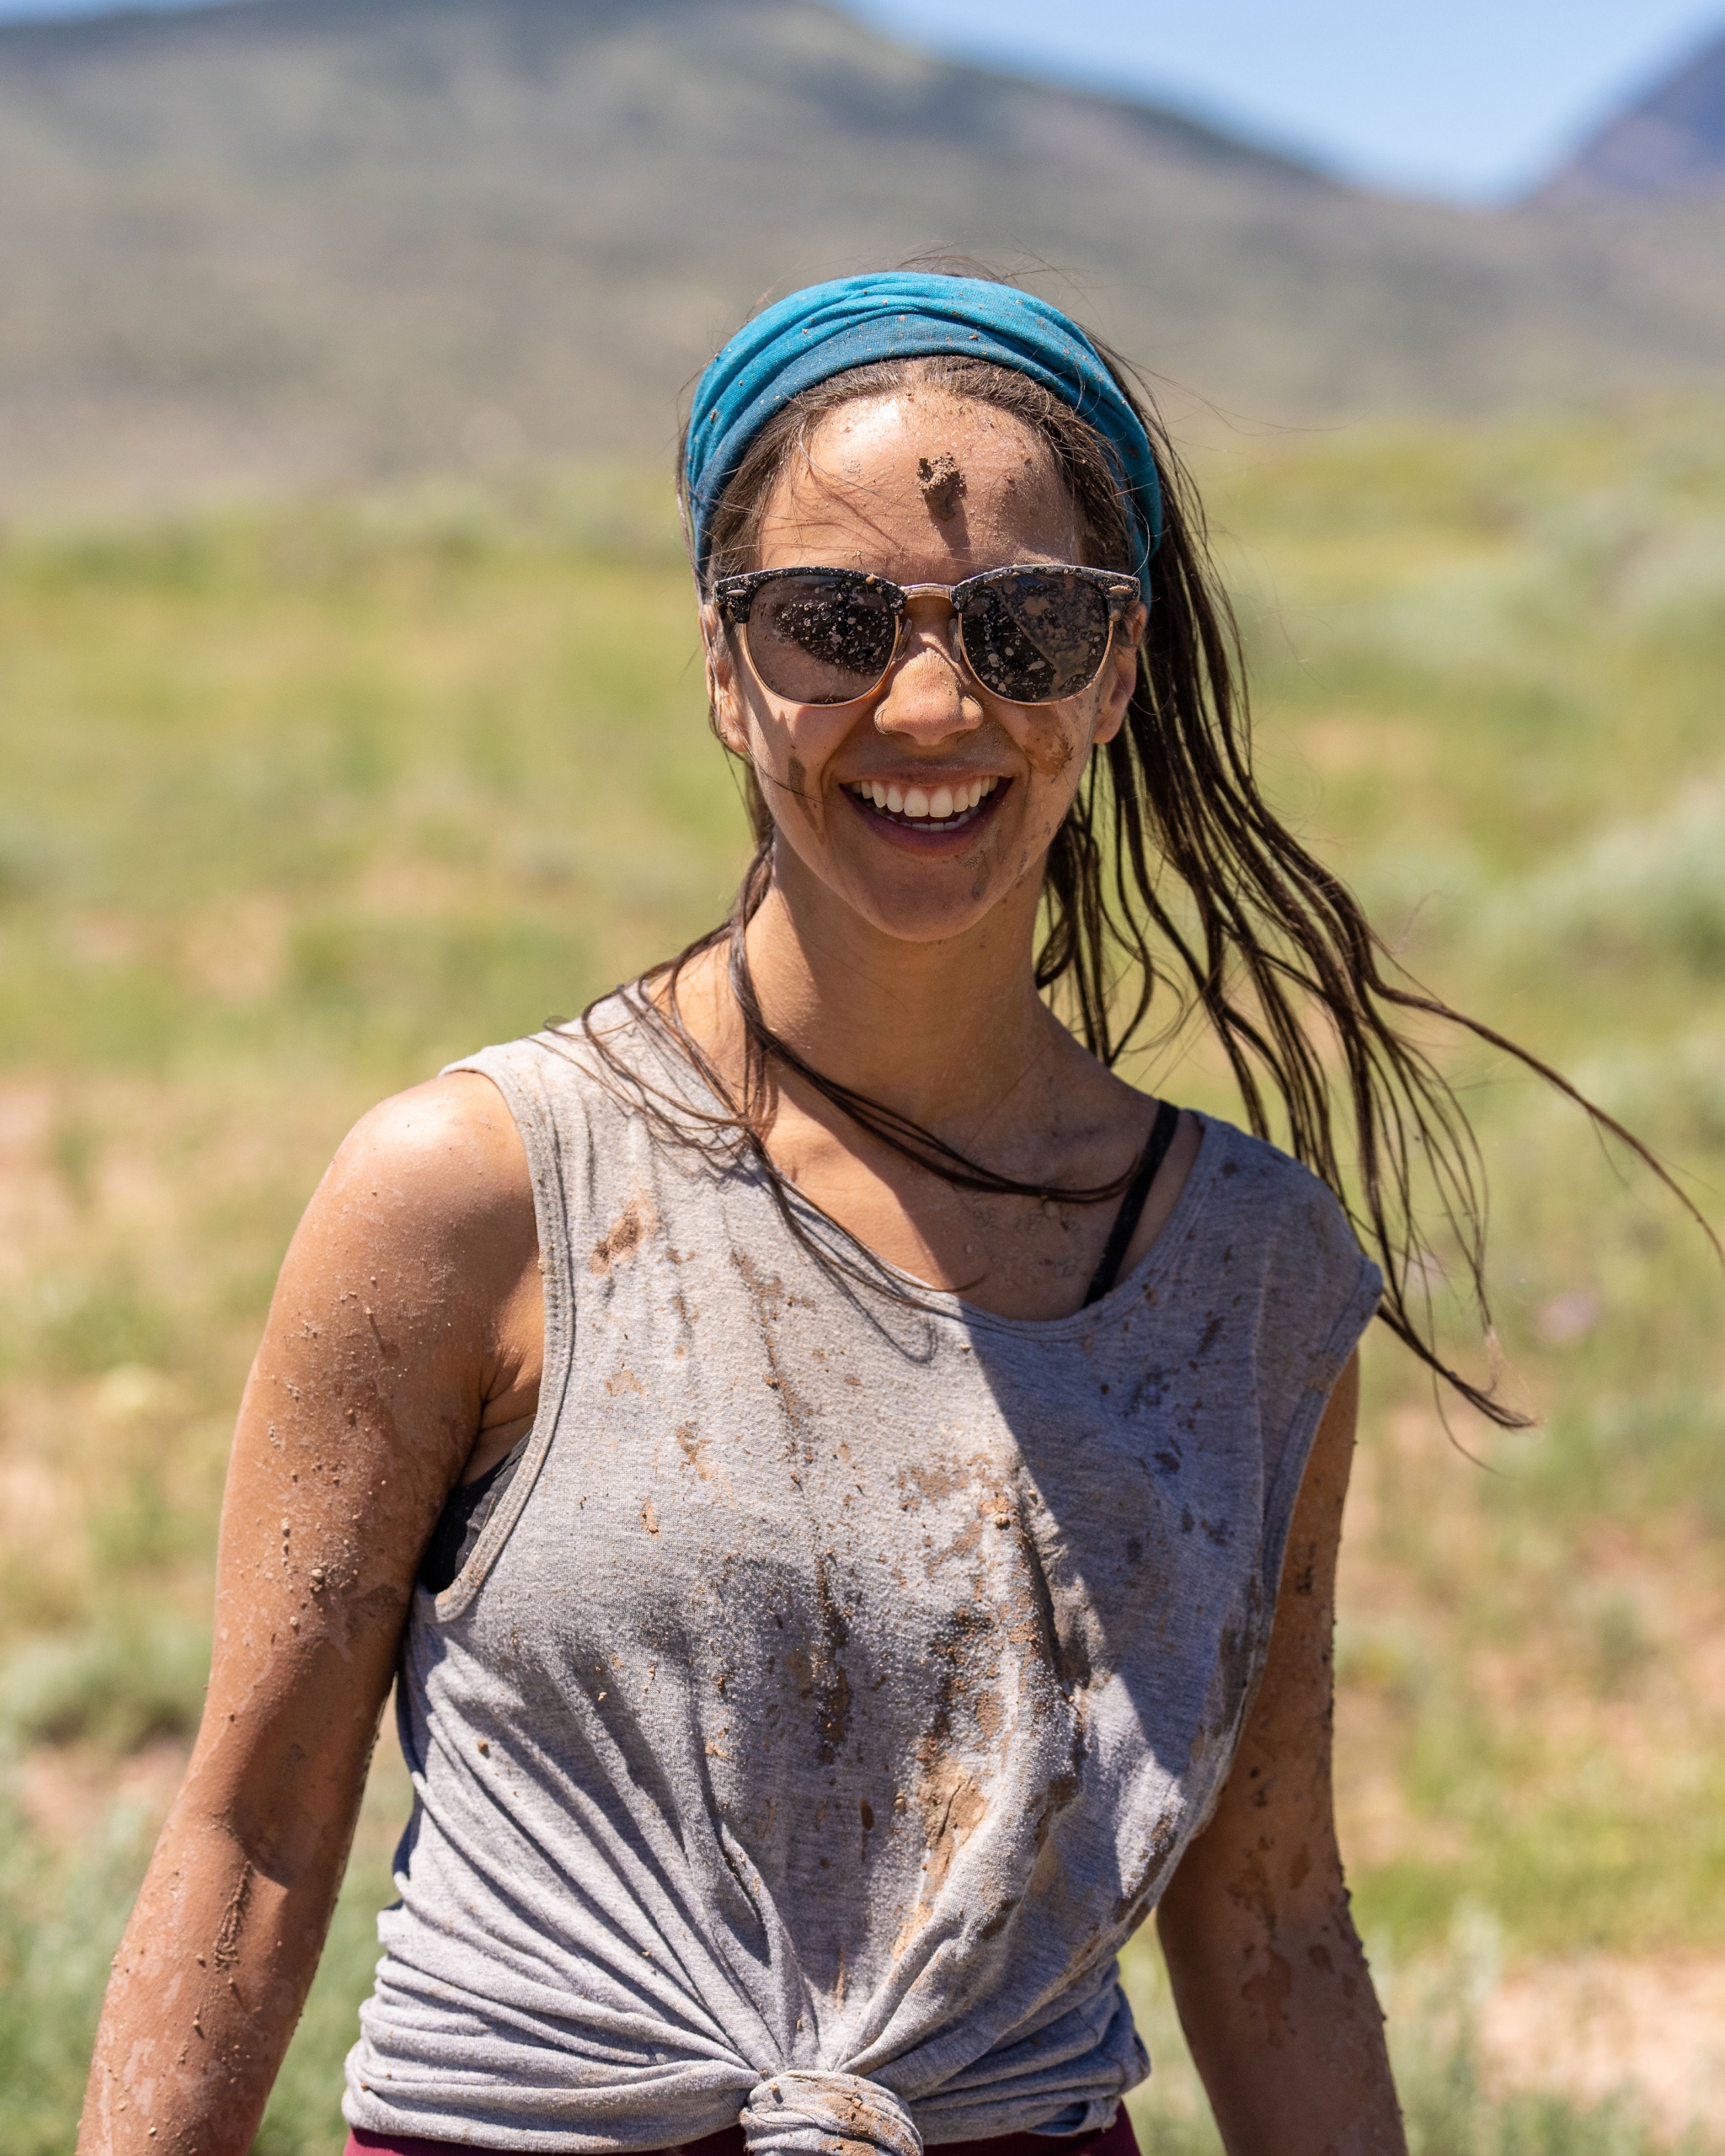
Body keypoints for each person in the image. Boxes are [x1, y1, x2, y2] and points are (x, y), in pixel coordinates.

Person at [88, 266, 1595, 2156]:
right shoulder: (480, 1193)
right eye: (830, 620)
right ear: (723, 664)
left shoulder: (1246, 1275)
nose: (935, 700)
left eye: (1027, 625)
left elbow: (1272, 1908)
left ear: (1115, 669)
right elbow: (251, 1833)